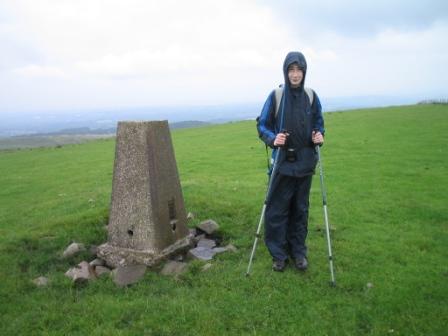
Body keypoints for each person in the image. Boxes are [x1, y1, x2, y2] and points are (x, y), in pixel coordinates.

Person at [256, 51, 324, 272]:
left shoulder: (311, 96)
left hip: (305, 164)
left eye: (299, 70)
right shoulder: (276, 96)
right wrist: (272, 138)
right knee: (277, 210)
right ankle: (279, 255)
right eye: (291, 70)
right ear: (286, 72)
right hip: (282, 164)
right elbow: (262, 124)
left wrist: (319, 135)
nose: (295, 75)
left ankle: (298, 252)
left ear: (304, 72)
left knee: (300, 210)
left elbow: (318, 123)